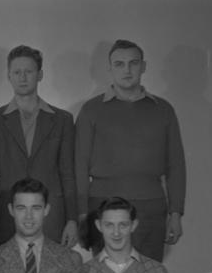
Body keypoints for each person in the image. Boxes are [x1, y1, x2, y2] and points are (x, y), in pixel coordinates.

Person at [75, 39, 187, 261]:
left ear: (143, 67)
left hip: (150, 208)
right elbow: (79, 165)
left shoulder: (163, 110)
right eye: (119, 64)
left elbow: (176, 165)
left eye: (133, 63)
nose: (127, 70)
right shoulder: (91, 110)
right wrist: (82, 214)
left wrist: (176, 213)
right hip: (103, 206)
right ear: (110, 69)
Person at [0, 45, 77, 247]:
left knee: (52, 266)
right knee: (9, 266)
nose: (23, 77)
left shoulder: (62, 120)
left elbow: (68, 173)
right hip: (8, 213)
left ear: (40, 75)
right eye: (17, 72)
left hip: (51, 213)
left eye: (28, 71)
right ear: (9, 76)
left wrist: (72, 219)